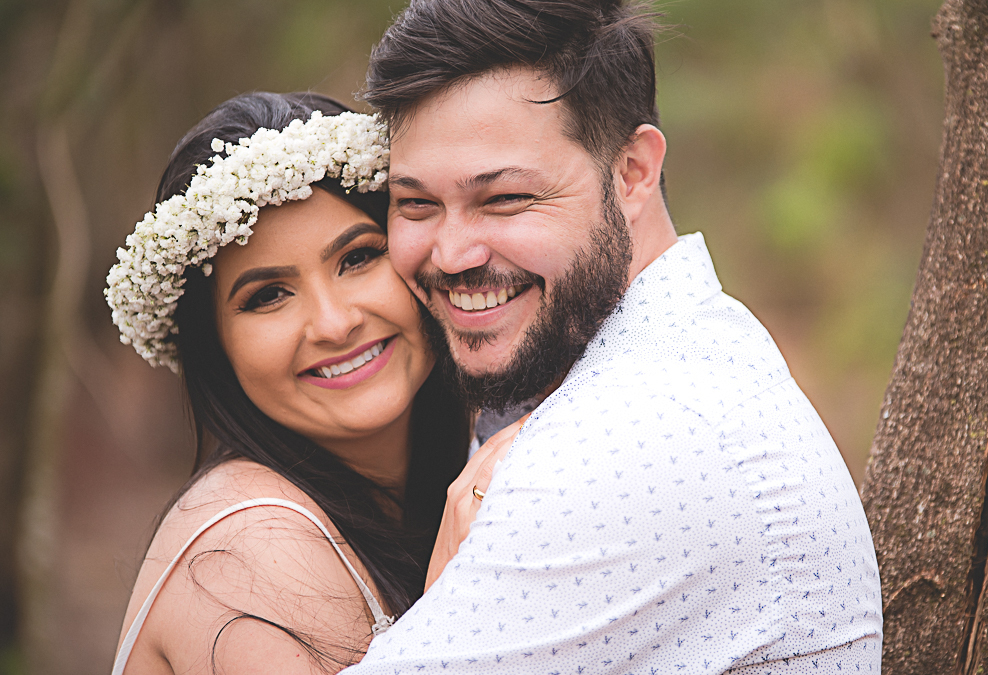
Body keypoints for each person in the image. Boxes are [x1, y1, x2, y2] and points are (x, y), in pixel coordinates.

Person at [344, 0, 884, 673]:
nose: (450, 253)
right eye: (416, 203)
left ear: (633, 170)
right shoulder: (682, 354)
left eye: (505, 198)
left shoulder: (634, 437)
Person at [104, 92, 473, 674]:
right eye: (267, 296)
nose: (335, 322)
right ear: (215, 347)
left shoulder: (465, 471)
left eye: (357, 258)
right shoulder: (255, 551)